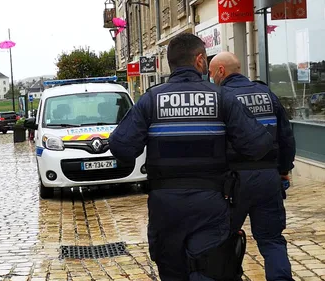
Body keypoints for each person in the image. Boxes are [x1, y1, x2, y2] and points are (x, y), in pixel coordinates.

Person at [109, 33, 274, 281]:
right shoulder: (221, 97)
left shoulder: (151, 100)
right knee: (210, 268)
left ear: (170, 63)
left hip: (165, 206)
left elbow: (121, 147)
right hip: (210, 203)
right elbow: (259, 144)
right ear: (199, 60)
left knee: (172, 273)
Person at [209, 51, 296, 281]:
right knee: (272, 240)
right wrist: (284, 171)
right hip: (268, 178)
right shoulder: (267, 94)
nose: (210, 78)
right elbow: (287, 137)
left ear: (221, 71)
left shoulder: (220, 97)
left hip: (233, 182)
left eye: (211, 73)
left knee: (223, 240)